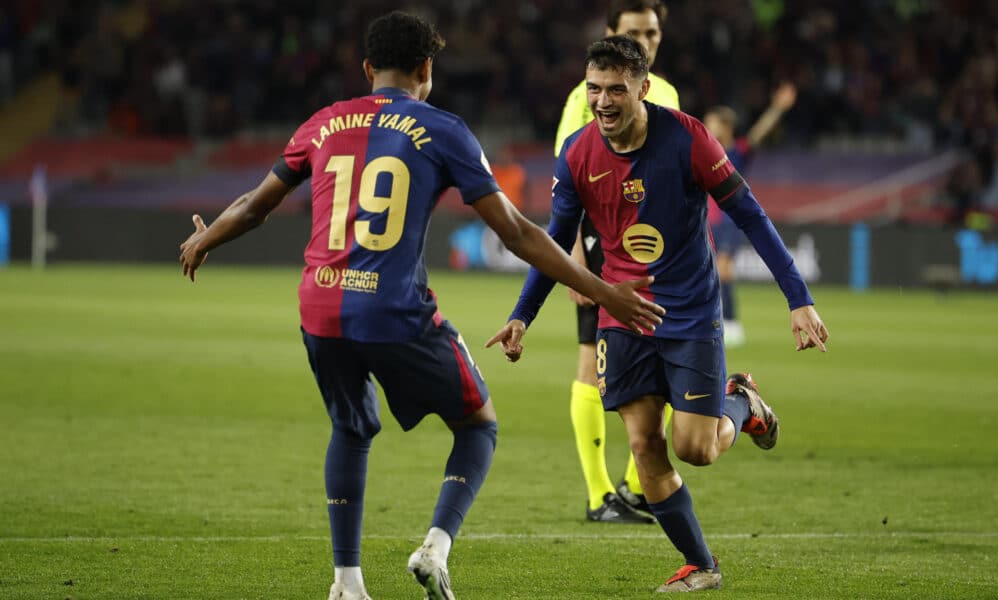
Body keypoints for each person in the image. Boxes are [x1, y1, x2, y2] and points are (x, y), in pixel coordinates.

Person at [178, 12, 663, 600]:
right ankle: (435, 547)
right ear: (427, 69)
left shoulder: (323, 123)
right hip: (391, 308)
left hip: (320, 305)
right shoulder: (444, 129)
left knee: (351, 427)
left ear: (367, 68)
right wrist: (604, 290)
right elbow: (517, 232)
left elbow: (255, 205)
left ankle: (347, 583)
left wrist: (205, 239)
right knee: (478, 424)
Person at [487, 36, 828, 592]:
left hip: (690, 311)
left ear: (643, 88)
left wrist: (798, 297)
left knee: (696, 449)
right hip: (622, 314)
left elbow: (749, 214)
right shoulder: (576, 153)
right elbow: (555, 241)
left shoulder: (689, 138)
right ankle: (702, 564)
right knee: (644, 444)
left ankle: (740, 404)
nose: (603, 101)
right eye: (594, 89)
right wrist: (523, 314)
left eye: (616, 89)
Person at [553, 0, 679, 525]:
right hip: (603, 244)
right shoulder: (588, 96)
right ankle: (600, 492)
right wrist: (575, 252)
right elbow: (569, 170)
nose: (645, 41)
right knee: (591, 358)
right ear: (610, 34)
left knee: (669, 356)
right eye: (633, 32)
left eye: (651, 32)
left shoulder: (666, 93)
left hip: (658, 251)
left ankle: (635, 485)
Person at [703, 82, 798, 347]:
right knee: (711, 274)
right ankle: (718, 322)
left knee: (724, 271)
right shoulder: (704, 151)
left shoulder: (738, 151)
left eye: (712, 123)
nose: (707, 127)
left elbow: (760, 132)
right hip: (707, 222)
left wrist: (778, 108)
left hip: (731, 222)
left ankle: (732, 324)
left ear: (726, 126)